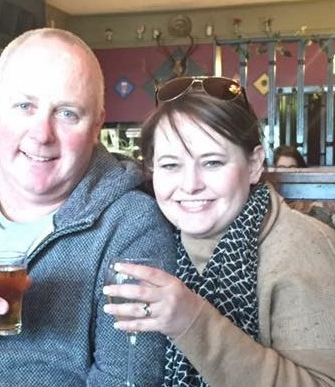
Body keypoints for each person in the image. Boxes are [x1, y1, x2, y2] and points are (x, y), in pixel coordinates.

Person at [0, 28, 176, 386]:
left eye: (67, 113)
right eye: (24, 106)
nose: (42, 134)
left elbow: (128, 379)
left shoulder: (131, 227)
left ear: (97, 124)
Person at [103, 76, 335, 386]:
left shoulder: (304, 249)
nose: (190, 185)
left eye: (212, 163)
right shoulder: (154, 237)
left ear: (253, 165)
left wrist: (191, 320)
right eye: (171, 165)